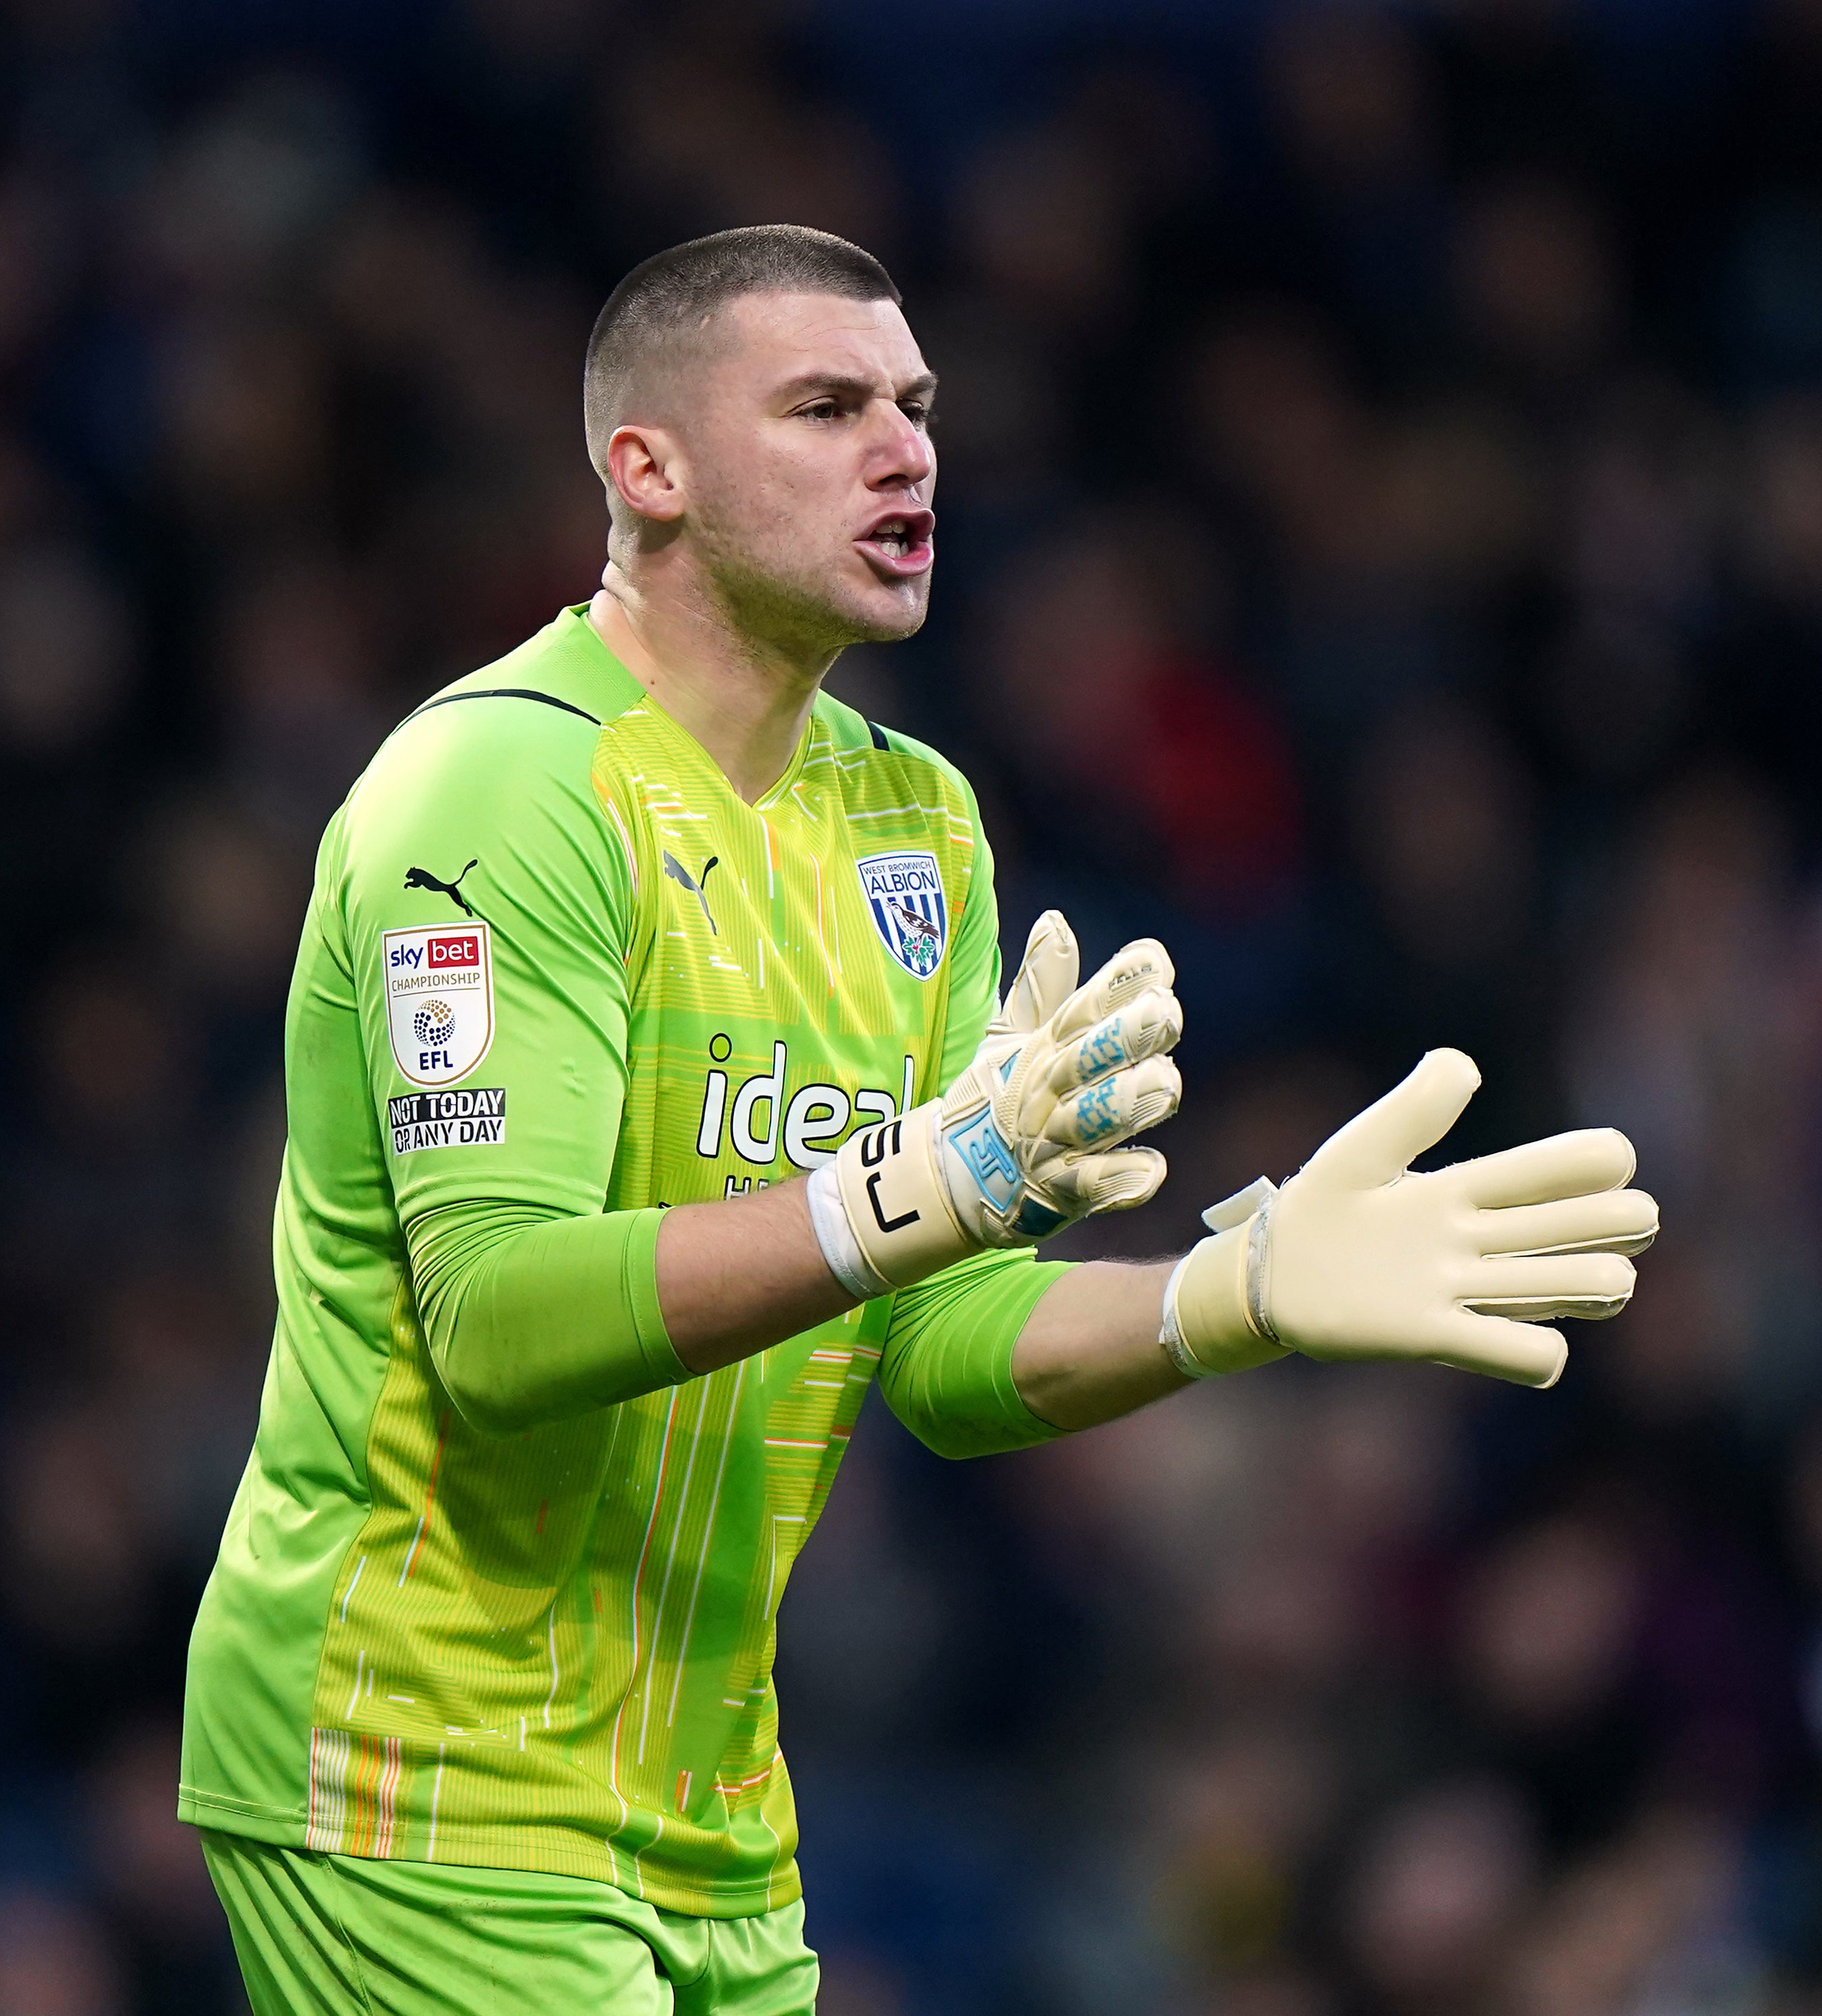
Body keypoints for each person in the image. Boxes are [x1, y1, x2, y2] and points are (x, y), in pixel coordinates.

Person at [178, 224, 1659, 2016]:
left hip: (708, 1806)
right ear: (646, 469)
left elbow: (935, 1338)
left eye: (918, 405)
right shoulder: (502, 786)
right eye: (826, 406)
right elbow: (496, 1317)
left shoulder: (916, 824)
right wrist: (912, 1187)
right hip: (416, 1769)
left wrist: (1221, 1293)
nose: (906, 449)